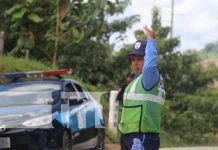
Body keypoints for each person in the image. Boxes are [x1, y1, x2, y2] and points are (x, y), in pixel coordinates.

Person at [118, 25, 165, 150]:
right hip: (130, 136)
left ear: (147, 59)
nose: (135, 63)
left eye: (140, 59)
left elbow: (149, 67)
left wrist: (151, 40)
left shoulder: (149, 78)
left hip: (142, 137)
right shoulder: (137, 80)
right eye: (133, 59)